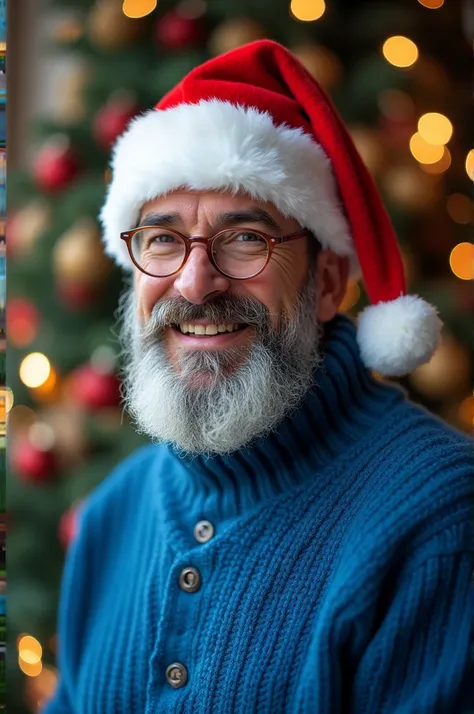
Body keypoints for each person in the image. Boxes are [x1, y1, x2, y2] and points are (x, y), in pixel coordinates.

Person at [44, 40, 473, 713]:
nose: (194, 282)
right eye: (161, 238)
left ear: (328, 280)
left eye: (245, 237)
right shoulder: (110, 514)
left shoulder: (441, 520)